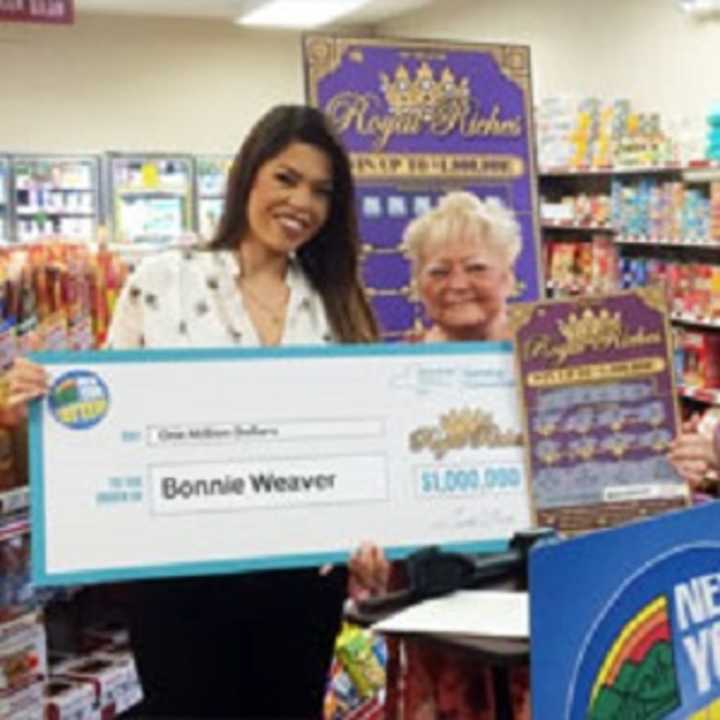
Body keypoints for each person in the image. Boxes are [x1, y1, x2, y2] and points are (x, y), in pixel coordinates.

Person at [8, 104, 384, 718]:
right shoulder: (165, 279)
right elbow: (105, 415)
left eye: (321, 191)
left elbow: (362, 441)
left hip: (300, 579)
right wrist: (47, 403)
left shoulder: (335, 303)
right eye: (286, 178)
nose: (301, 203)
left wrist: (373, 535)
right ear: (249, 177)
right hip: (180, 572)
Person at [349, 190, 529, 719]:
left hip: (538, 590)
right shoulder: (390, 378)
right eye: (437, 270)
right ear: (416, 285)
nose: (455, 284)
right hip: (436, 601)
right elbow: (370, 483)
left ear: (509, 277)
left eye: (475, 267)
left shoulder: (546, 363)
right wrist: (367, 553)